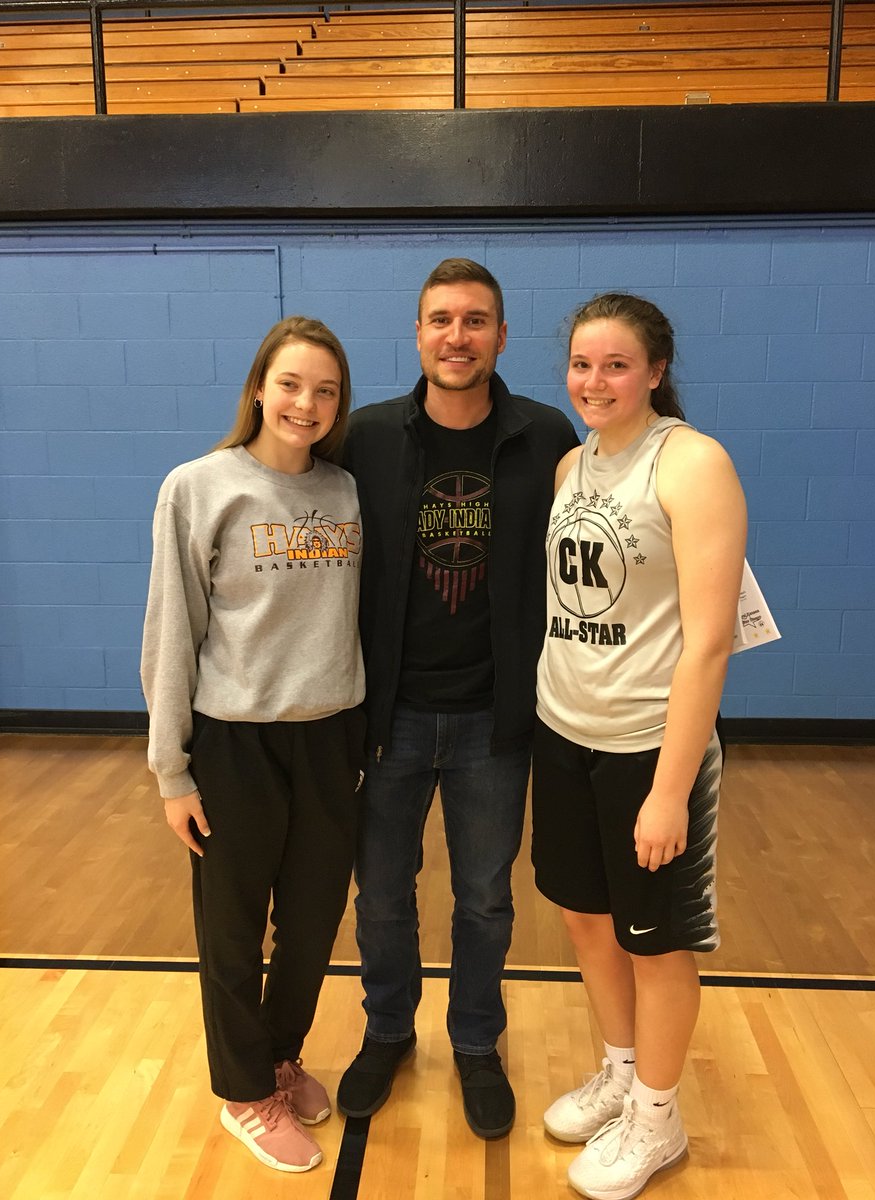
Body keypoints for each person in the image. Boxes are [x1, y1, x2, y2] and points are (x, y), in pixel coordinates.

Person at [337, 258, 578, 1139]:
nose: (457, 336)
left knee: (484, 898)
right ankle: (388, 1032)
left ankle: (477, 1042)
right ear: (417, 334)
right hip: (388, 718)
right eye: (441, 319)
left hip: (494, 721)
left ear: (503, 336)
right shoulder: (365, 438)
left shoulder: (548, 436)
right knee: (385, 896)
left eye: (476, 321)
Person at [533, 293, 747, 1198]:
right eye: (583, 364)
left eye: (616, 365)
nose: (595, 381)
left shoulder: (692, 464)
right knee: (586, 919)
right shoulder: (569, 465)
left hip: (649, 747)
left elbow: (708, 641)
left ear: (656, 370)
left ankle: (658, 1118)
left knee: (655, 944)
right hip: (565, 732)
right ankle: (622, 1074)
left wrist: (668, 790)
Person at [140, 316, 366, 1174]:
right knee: (232, 933)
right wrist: (172, 771)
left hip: (328, 738)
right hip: (232, 744)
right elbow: (170, 635)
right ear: (258, 388)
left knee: (309, 927)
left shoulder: (345, 493)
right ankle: (243, 1093)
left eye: (326, 390)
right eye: (291, 384)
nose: (306, 403)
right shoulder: (197, 487)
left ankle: (278, 1056)